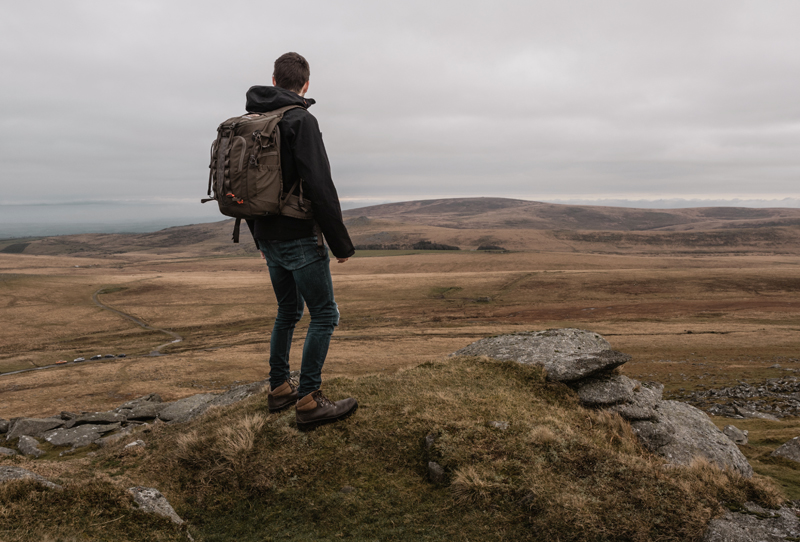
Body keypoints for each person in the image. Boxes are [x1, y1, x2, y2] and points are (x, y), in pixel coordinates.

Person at [244, 52, 357, 431]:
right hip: (298, 236)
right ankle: (308, 400)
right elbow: (320, 184)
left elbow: (245, 189)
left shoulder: (253, 122)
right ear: (305, 84)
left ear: (274, 80)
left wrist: (259, 238)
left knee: (288, 311)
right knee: (324, 314)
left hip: (266, 235)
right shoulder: (300, 120)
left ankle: (279, 388)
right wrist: (340, 244)